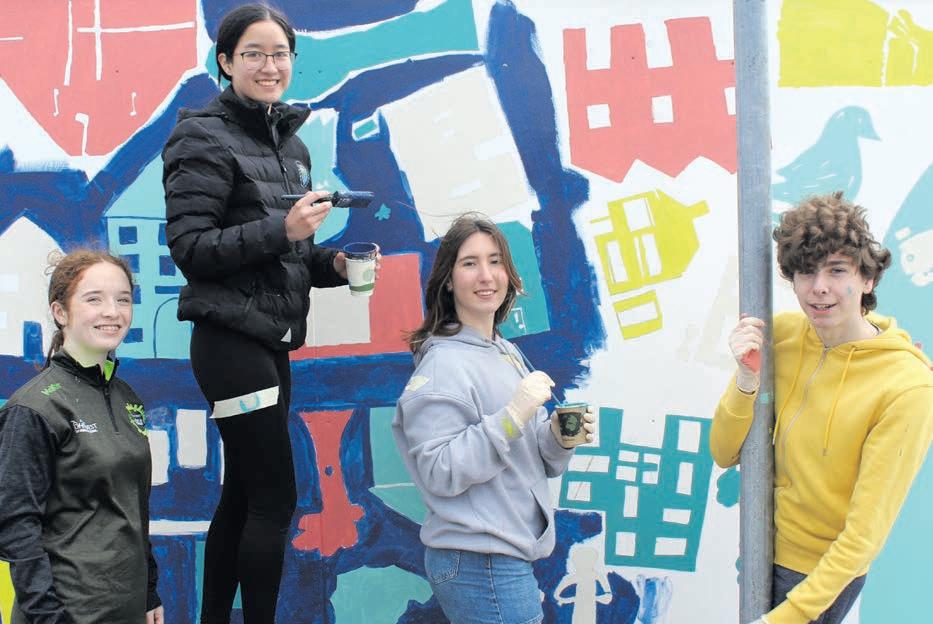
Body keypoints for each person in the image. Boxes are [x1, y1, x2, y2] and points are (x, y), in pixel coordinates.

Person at [162, 4, 378, 622]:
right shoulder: (199, 136)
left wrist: (336, 265)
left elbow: (290, 256)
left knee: (243, 495)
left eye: (280, 53)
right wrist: (282, 228)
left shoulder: (292, 144)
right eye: (253, 53)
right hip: (229, 341)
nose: (269, 65)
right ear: (225, 62)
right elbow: (191, 249)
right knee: (275, 498)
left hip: (270, 340)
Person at [711, 192, 933, 624]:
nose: (819, 287)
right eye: (806, 271)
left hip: (822, 575)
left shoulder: (908, 386)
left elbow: (863, 538)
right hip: (760, 548)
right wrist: (746, 379)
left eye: (836, 270)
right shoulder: (783, 336)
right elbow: (724, 451)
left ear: (868, 279)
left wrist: (782, 619)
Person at [393, 213, 596, 624]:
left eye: (495, 261)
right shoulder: (443, 364)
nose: (486, 276)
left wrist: (558, 438)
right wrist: (514, 414)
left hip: (502, 556)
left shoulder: (503, 350)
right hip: (480, 561)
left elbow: (529, 455)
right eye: (470, 263)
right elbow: (440, 470)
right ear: (448, 280)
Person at [0, 250, 163, 624]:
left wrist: (149, 592)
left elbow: (132, 506)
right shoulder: (33, 407)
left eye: (123, 299)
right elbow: (15, 526)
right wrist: (48, 616)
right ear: (60, 312)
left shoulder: (127, 398)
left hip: (128, 610)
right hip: (66, 614)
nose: (112, 312)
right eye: (94, 299)